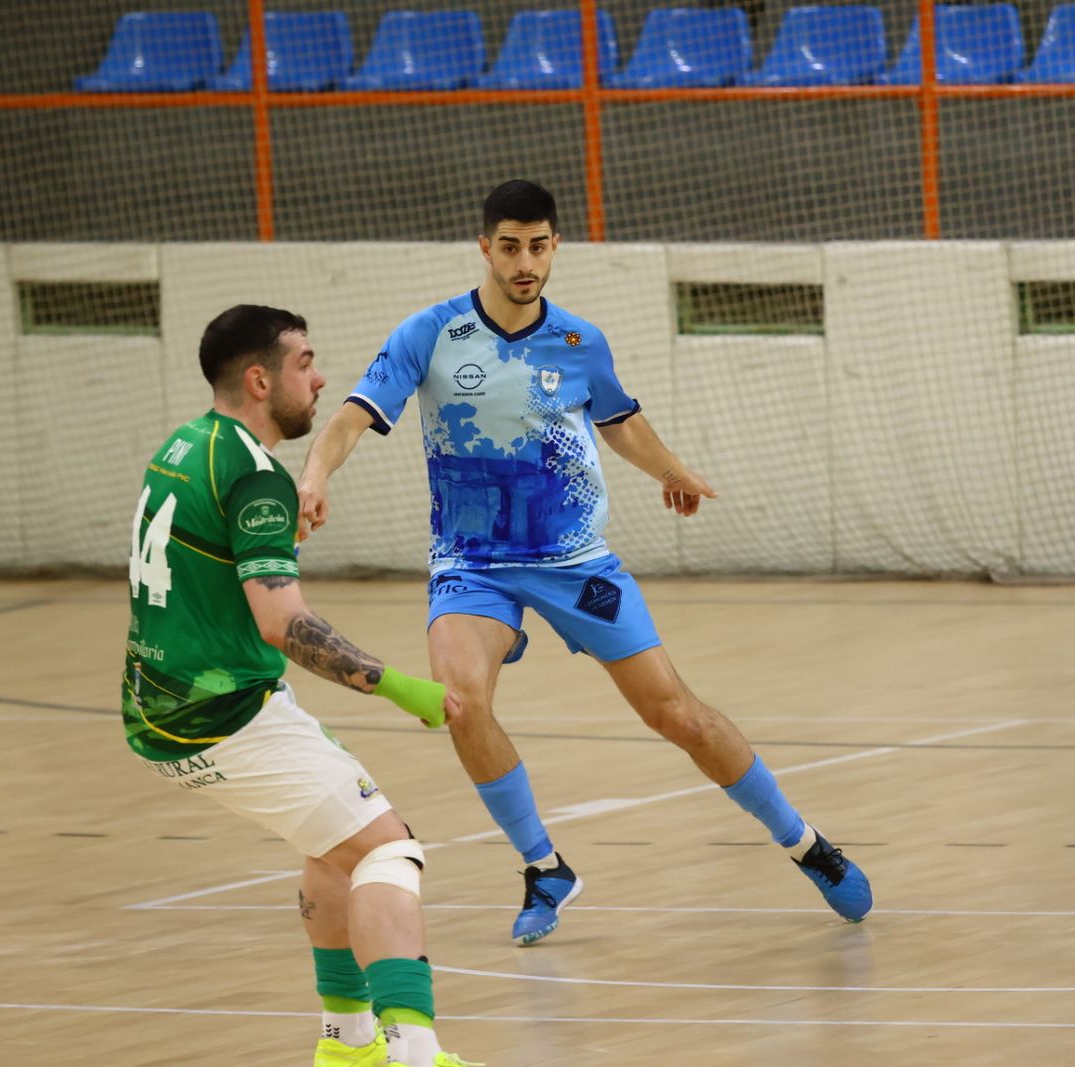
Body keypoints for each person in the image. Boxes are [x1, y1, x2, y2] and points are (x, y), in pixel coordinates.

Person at [297, 180, 872, 947]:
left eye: (538, 245)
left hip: (577, 562)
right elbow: (353, 416)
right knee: (461, 700)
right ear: (484, 248)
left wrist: (671, 469)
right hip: (473, 564)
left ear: (555, 245)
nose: (524, 261)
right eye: (509, 246)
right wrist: (315, 473)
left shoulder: (578, 341)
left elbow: (621, 422)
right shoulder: (430, 334)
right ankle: (545, 866)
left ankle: (806, 842)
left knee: (679, 716)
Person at [122, 305, 480, 1067]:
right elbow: (284, 625)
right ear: (260, 378)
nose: (320, 379)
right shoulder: (254, 472)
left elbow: (207, 558)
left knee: (331, 844)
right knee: (390, 852)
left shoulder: (185, 445)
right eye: (305, 363)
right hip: (224, 715)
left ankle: (348, 1044)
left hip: (163, 705)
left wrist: (266, 535)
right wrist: (397, 686)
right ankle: (415, 1053)